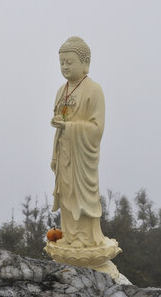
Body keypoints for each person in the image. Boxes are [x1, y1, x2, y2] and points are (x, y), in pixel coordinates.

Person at [50, 36, 106, 248]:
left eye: (69, 62)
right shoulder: (61, 90)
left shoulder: (94, 90)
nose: (64, 66)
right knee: (66, 194)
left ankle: (83, 238)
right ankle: (70, 235)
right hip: (64, 152)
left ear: (86, 63)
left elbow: (96, 128)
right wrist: (54, 155)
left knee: (80, 197)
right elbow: (59, 123)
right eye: (62, 62)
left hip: (81, 156)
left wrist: (70, 127)